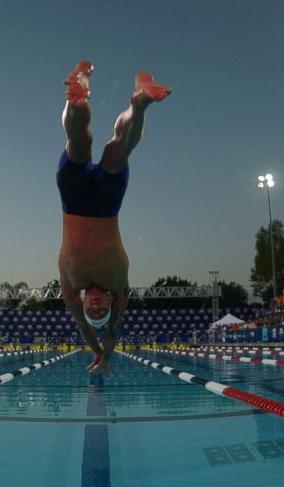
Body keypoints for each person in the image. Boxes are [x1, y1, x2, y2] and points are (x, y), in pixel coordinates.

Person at [56, 60, 171, 374]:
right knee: (119, 148)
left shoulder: (70, 284)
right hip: (107, 205)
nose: (93, 308)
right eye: (100, 310)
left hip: (74, 202)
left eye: (91, 310)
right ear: (111, 303)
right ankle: (140, 103)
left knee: (79, 143)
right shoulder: (119, 284)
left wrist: (95, 350)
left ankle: (77, 96)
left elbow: (81, 324)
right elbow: (115, 328)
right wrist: (105, 354)